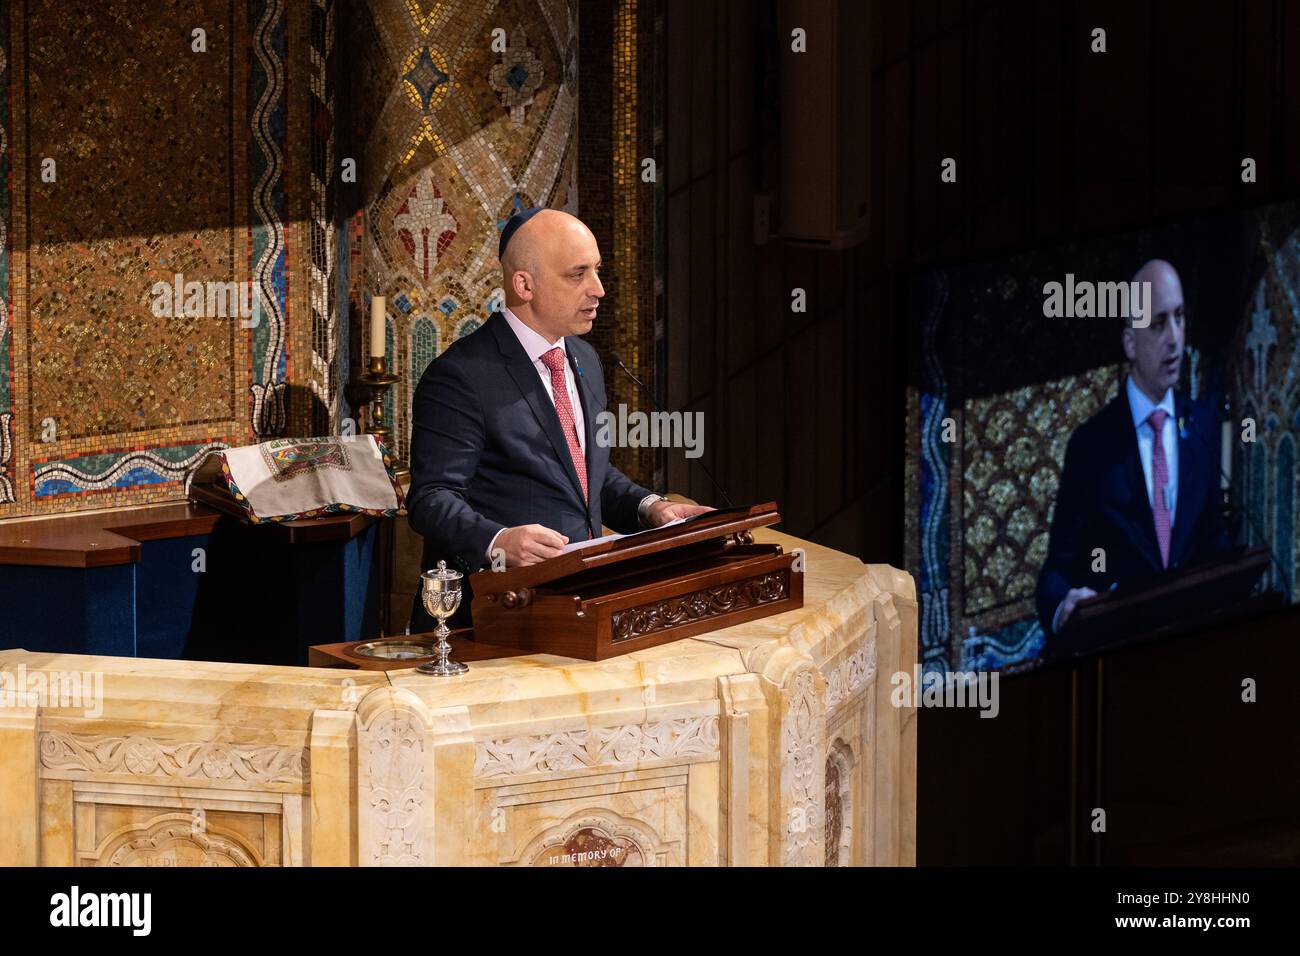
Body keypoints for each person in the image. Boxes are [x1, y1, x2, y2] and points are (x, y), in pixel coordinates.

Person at [407, 207, 712, 632]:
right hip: (496, 613)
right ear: (524, 284)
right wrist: (498, 541)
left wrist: (651, 508)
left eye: (598, 271)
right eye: (577, 274)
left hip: (581, 603)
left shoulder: (583, 358)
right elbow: (431, 499)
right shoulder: (461, 376)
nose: (599, 289)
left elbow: (588, 476)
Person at [1035, 259, 1230, 645]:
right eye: (1158, 325)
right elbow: (1053, 578)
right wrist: (1064, 607)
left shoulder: (1203, 426)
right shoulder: (1092, 446)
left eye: (1179, 317)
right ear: (1130, 342)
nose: (1175, 339)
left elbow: (1214, 546)